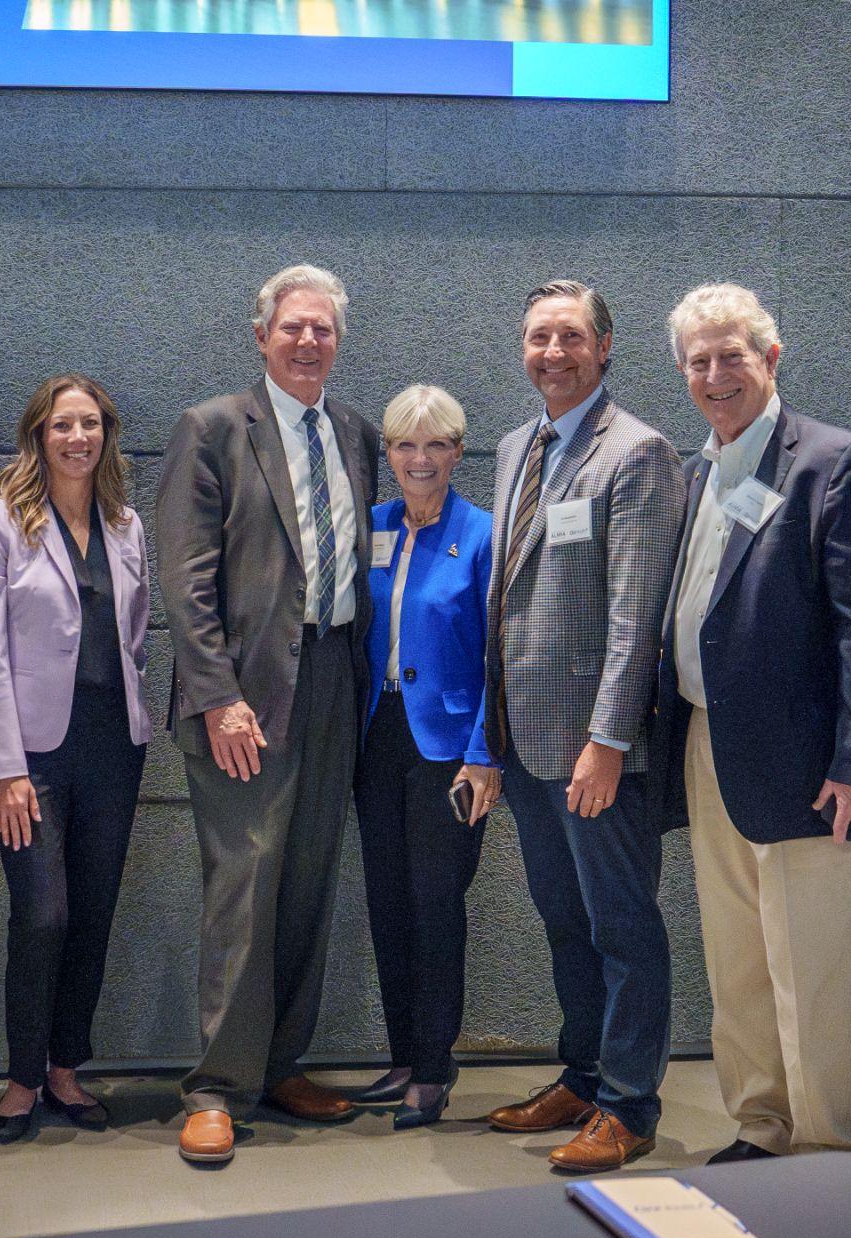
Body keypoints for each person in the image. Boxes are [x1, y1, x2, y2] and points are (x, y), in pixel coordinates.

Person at [649, 283, 851, 1164]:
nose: (716, 376)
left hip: (809, 763)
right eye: (698, 361)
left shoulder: (834, 461)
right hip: (705, 743)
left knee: (813, 965)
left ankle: (829, 1143)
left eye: (733, 356)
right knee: (738, 958)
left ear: (772, 358)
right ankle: (761, 1124)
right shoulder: (694, 472)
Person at [156, 264, 380, 1164]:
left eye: (322, 328)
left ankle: (281, 1062)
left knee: (310, 878)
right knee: (244, 884)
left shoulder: (357, 433)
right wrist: (217, 697)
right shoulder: (214, 428)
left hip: (335, 676)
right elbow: (184, 575)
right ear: (261, 336)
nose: (307, 341)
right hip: (244, 694)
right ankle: (216, 1087)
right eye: (292, 327)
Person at [482, 280, 681, 1173]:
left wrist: (608, 742)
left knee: (622, 926)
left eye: (569, 337)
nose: (552, 353)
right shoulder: (517, 445)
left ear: (605, 347)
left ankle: (630, 1102)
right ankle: (583, 1073)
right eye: (537, 338)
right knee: (564, 920)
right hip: (527, 743)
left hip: (597, 752)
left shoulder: (637, 452)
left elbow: (637, 618)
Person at [0, 374, 150, 1138]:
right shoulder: (2, 522)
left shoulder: (126, 522)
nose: (77, 438)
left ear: (105, 434)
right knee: (43, 914)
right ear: (37, 436)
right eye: (60, 425)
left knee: (94, 914)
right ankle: (20, 1076)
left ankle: (66, 1068)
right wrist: (4, 767)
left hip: (114, 745)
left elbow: (135, 632)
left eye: (89, 424)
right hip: (33, 755)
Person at [349, 385, 498, 1130]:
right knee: (387, 904)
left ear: (457, 452)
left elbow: (500, 656)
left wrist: (484, 753)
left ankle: (434, 1070)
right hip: (377, 739)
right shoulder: (373, 526)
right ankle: (405, 1053)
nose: (419, 458)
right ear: (389, 453)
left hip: (451, 750)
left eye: (435, 444)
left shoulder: (481, 534)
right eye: (405, 444)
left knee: (436, 904)